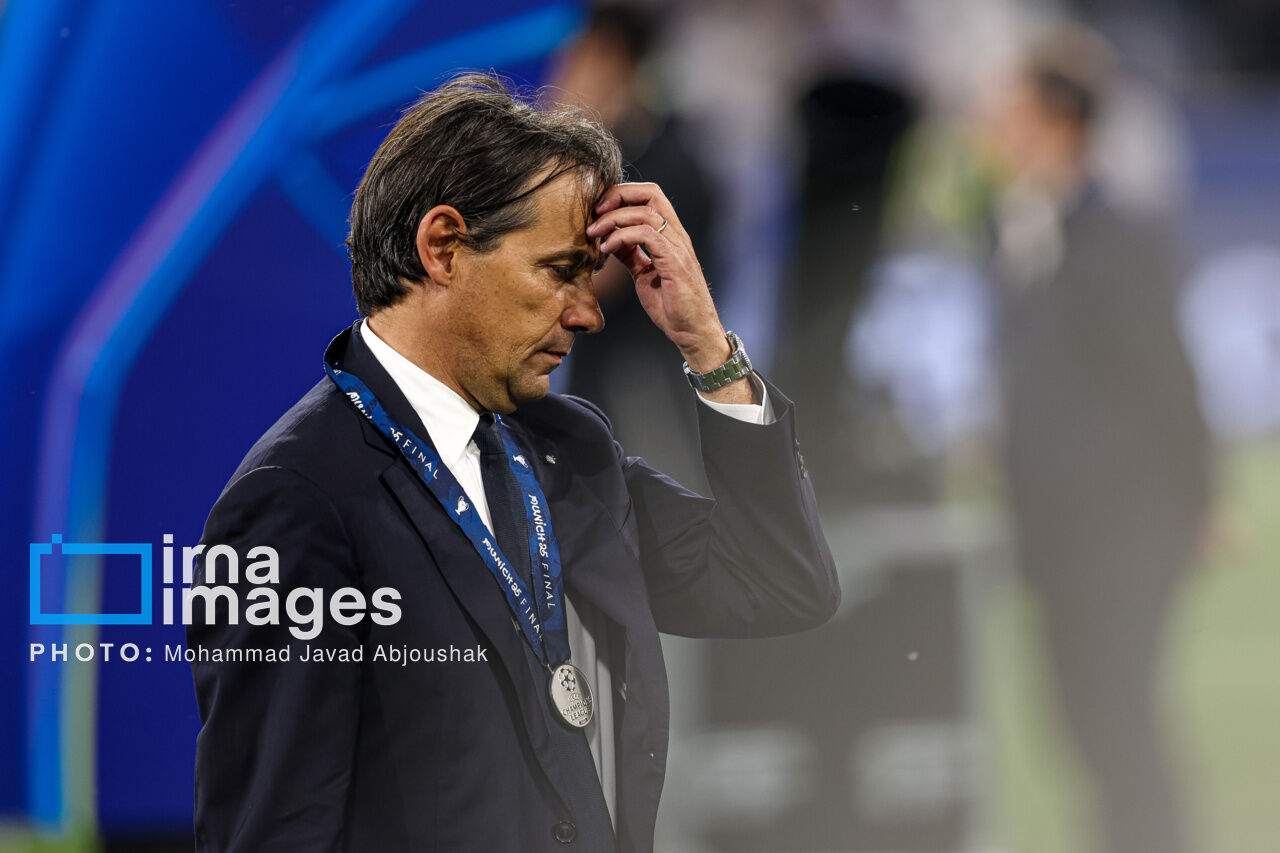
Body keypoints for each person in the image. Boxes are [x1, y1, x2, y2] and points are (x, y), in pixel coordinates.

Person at [186, 73, 839, 853]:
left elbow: (777, 581)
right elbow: (277, 833)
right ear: (443, 248)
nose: (589, 312)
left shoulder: (570, 452)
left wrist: (707, 346)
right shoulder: (293, 500)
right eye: (561, 269)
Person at [985, 30, 1211, 853]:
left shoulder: (1120, 232)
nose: (994, 123)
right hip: (1052, 528)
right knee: (1076, 717)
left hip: (1125, 525)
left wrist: (1200, 502)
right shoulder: (1014, 228)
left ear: (1056, 118)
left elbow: (1170, 379)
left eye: (1010, 107)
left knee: (1120, 715)